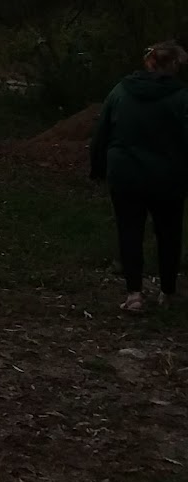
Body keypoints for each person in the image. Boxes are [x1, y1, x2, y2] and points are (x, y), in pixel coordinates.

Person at [90, 40, 188, 312]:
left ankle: (134, 294)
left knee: (129, 231)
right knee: (169, 233)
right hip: (167, 178)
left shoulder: (121, 90)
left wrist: (98, 168)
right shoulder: (182, 97)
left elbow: (102, 132)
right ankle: (167, 292)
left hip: (125, 174)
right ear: (173, 65)